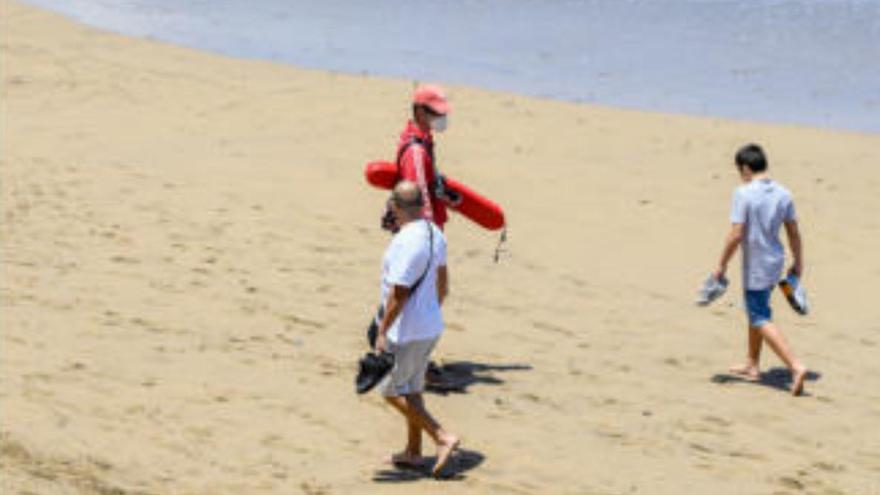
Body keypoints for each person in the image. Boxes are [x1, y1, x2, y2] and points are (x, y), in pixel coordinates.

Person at [374, 180, 460, 476]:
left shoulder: (406, 242)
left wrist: (383, 331)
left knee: (387, 389)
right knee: (411, 388)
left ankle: (441, 437)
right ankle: (413, 452)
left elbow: (399, 293)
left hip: (407, 330)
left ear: (396, 207)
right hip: (428, 325)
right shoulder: (435, 233)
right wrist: (430, 311)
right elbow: (443, 284)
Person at [712, 143, 809, 396]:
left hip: (755, 263)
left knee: (759, 316)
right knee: (756, 308)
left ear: (745, 168)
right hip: (775, 260)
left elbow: (736, 234)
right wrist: (799, 262)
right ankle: (752, 363)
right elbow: (794, 232)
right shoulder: (784, 193)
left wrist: (721, 264)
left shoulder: (743, 193)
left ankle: (796, 366)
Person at [394, 84, 459, 230]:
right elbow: (417, 200)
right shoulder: (416, 151)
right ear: (420, 111)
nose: (442, 117)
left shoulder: (423, 140)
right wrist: (430, 238)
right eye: (437, 113)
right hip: (424, 235)